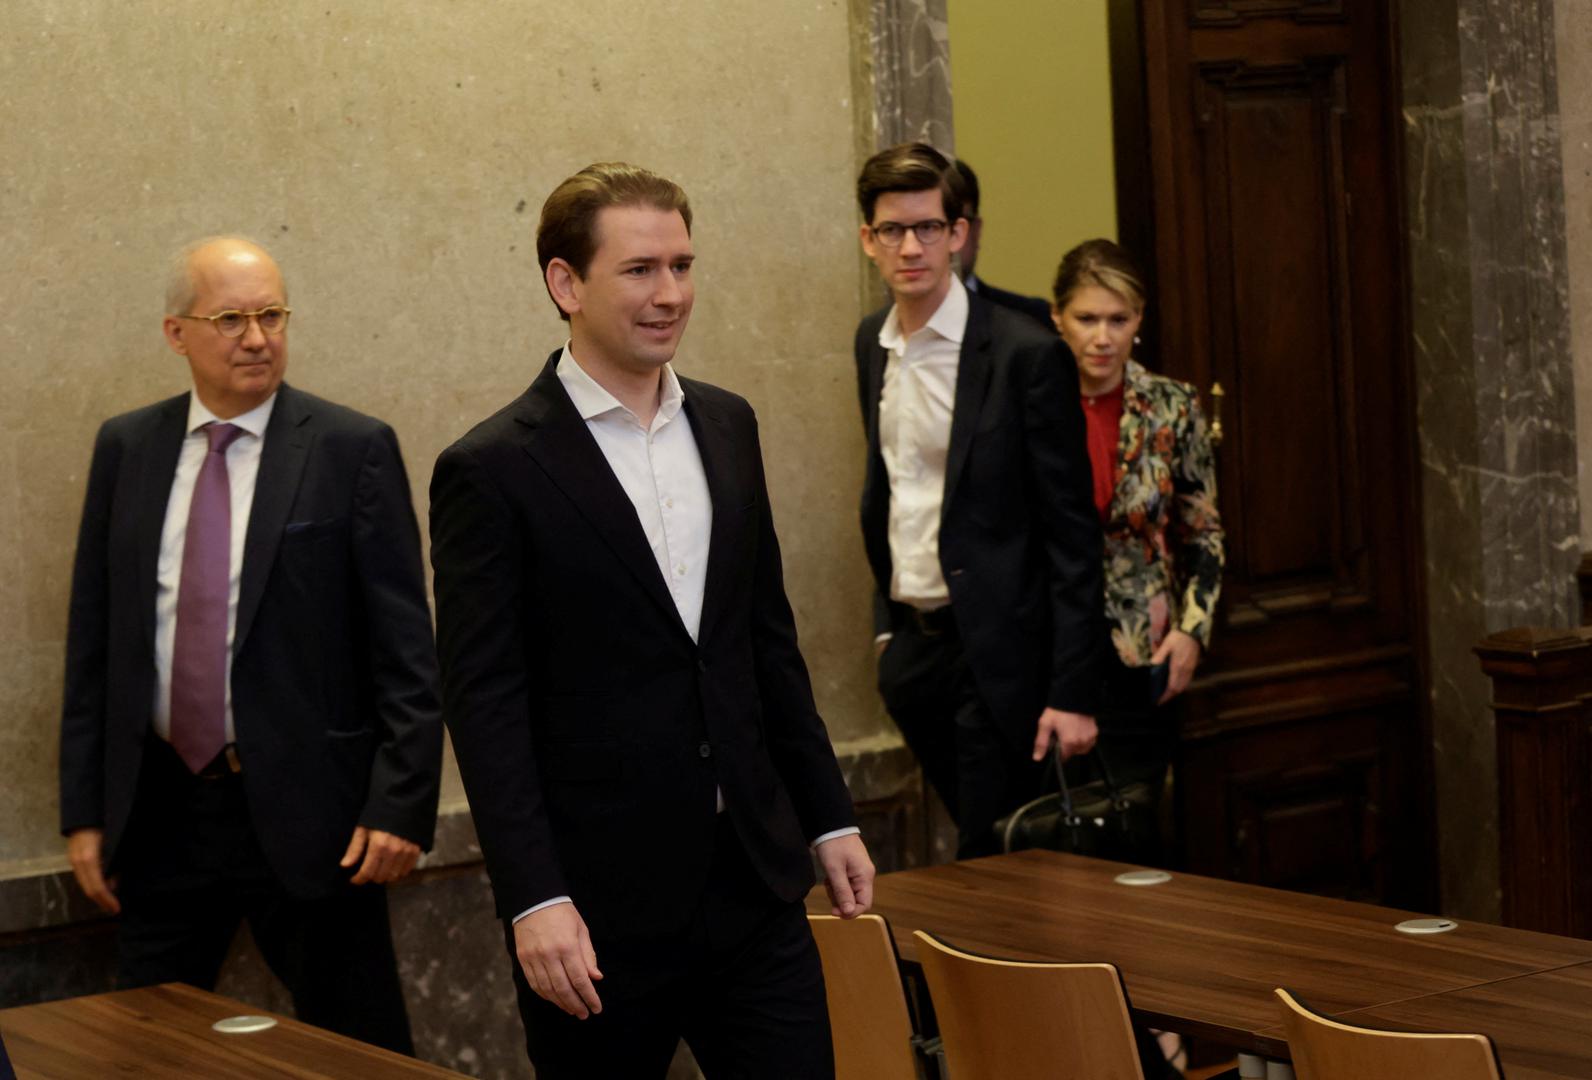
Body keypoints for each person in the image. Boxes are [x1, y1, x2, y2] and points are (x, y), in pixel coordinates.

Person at [429, 162, 874, 1079]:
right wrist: (534, 897)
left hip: (754, 882)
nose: (669, 293)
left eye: (681, 265)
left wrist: (828, 817)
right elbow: (486, 705)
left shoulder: (729, 424)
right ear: (565, 283)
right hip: (595, 916)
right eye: (639, 270)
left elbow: (765, 644)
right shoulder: (491, 468)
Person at [59, 236, 443, 1053]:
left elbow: (405, 647)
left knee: (363, 1054)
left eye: (271, 315)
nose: (257, 337)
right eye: (230, 318)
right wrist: (85, 811)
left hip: (318, 819)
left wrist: (400, 801)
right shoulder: (127, 448)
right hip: (161, 814)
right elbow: (97, 642)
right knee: (145, 1051)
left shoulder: (348, 448)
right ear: (177, 333)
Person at [854, 142, 1104, 859]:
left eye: (929, 227)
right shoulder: (871, 343)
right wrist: (886, 632)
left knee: (993, 862)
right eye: (892, 230)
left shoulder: (1026, 351)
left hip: (1003, 657)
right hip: (915, 652)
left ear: (959, 233)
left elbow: (1071, 530)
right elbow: (892, 489)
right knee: (980, 860)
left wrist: (1073, 689)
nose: (911, 247)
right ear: (868, 240)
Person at [1049, 238, 1224, 864]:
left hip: (1142, 651)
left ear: (1139, 320)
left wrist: (1192, 631)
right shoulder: (1032, 400)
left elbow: (1202, 530)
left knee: (1134, 838)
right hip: (1046, 652)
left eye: (1117, 320)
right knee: (1057, 846)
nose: (1102, 337)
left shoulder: (1173, 406)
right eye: (1087, 319)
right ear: (1057, 318)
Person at [952, 158, 1054, 329]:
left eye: (955, 224)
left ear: (976, 231)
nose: (947, 239)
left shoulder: (1031, 319)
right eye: (929, 227)